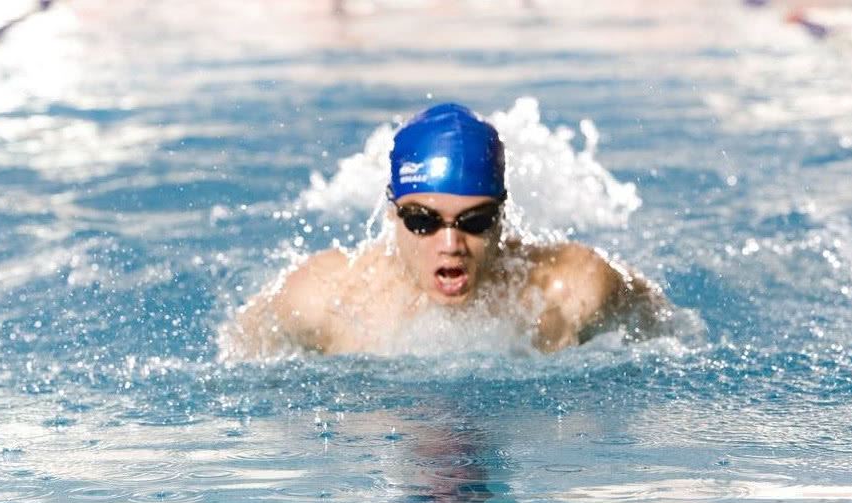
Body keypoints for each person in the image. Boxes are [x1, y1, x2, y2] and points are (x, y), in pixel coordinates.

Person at [221, 103, 670, 359]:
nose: (451, 245)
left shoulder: (572, 289)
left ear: (502, 215)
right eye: (423, 221)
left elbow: (671, 334)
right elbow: (239, 354)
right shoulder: (324, 299)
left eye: (475, 221)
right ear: (393, 212)